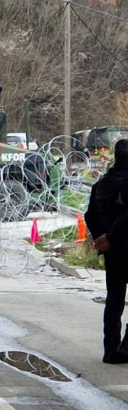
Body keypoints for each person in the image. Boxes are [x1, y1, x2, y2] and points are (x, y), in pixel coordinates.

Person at [85, 139, 128, 364]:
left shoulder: (103, 183)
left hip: (112, 251)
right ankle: (125, 349)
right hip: (122, 245)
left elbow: (89, 215)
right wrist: (110, 237)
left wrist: (101, 238)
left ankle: (110, 349)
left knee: (114, 301)